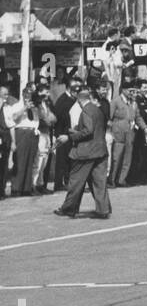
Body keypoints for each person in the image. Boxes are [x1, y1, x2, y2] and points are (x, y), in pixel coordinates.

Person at [54, 89, 111, 219]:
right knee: (99, 182)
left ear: (80, 100)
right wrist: (77, 130)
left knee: (76, 181)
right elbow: (95, 129)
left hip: (85, 153)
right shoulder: (97, 109)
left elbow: (88, 130)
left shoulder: (86, 110)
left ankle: (68, 208)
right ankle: (103, 209)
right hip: (100, 151)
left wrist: (70, 136)